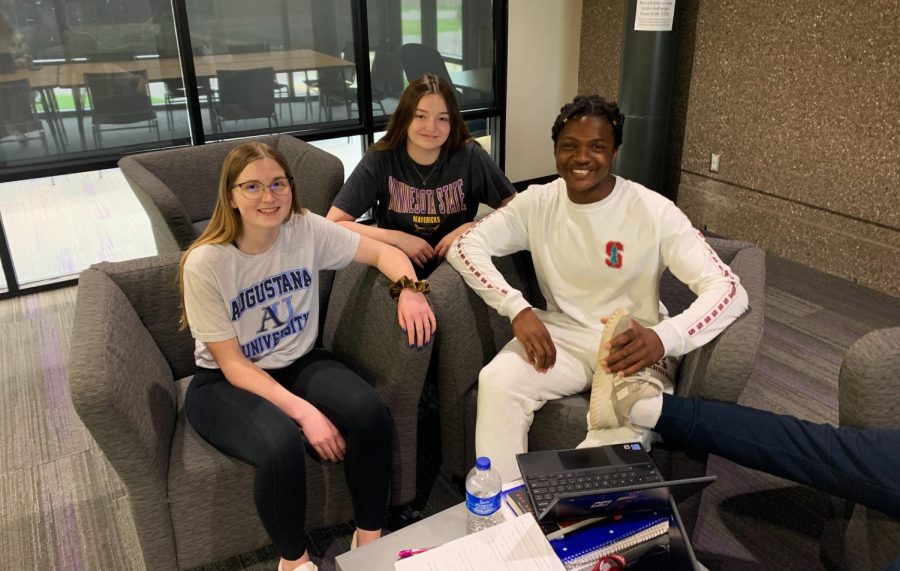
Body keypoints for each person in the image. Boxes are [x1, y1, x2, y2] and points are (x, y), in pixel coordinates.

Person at [446, 94, 749, 482]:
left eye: (597, 147)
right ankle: (506, 516)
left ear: (615, 152)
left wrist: (664, 337)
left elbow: (728, 288)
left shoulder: (653, 210)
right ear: (555, 150)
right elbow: (465, 247)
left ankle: (572, 521)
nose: (582, 157)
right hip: (561, 336)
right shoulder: (536, 202)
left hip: (631, 342)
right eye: (569, 146)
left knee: (627, 421)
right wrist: (516, 308)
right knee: (497, 381)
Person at [178, 142, 436, 571]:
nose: (269, 196)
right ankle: (294, 563)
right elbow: (232, 363)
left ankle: (368, 539)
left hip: (298, 359)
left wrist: (411, 291)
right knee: (279, 445)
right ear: (230, 196)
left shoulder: (304, 228)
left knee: (370, 412)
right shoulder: (206, 263)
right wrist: (306, 414)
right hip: (224, 381)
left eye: (278, 183)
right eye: (253, 186)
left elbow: (382, 253)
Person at [327, 73, 515, 277]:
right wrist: (397, 238)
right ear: (405, 117)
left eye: (442, 118)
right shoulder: (381, 158)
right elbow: (333, 224)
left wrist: (471, 227)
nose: (431, 127)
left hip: (455, 265)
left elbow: (515, 210)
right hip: (396, 264)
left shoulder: (469, 156)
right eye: (420, 116)